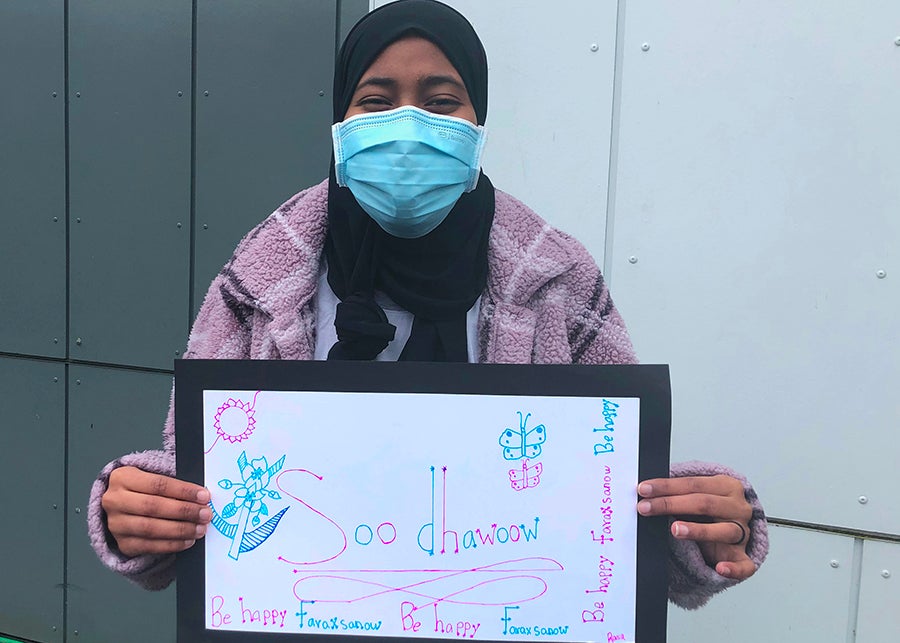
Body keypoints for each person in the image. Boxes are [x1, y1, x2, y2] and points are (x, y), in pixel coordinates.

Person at [88, 0, 767, 609]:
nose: (406, 125)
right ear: (339, 122)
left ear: (479, 123)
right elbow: (190, 486)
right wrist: (139, 512)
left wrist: (701, 531)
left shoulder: (558, 280)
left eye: (441, 102)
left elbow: (620, 504)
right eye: (375, 102)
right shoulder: (262, 280)